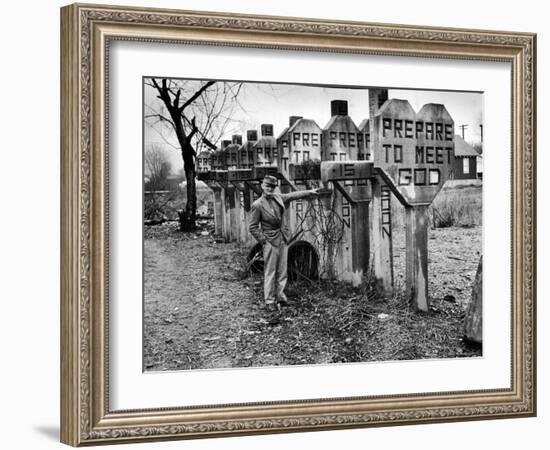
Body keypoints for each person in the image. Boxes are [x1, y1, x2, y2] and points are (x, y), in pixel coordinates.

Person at [248, 175, 319, 312]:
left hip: (282, 238)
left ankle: (280, 297)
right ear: (262, 186)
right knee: (270, 271)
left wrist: (309, 192)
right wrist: (264, 241)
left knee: (282, 270)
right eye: (267, 186)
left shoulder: (278, 198)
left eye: (273, 186)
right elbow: (253, 227)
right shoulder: (257, 205)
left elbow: (292, 195)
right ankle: (269, 300)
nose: (270, 189)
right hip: (270, 240)